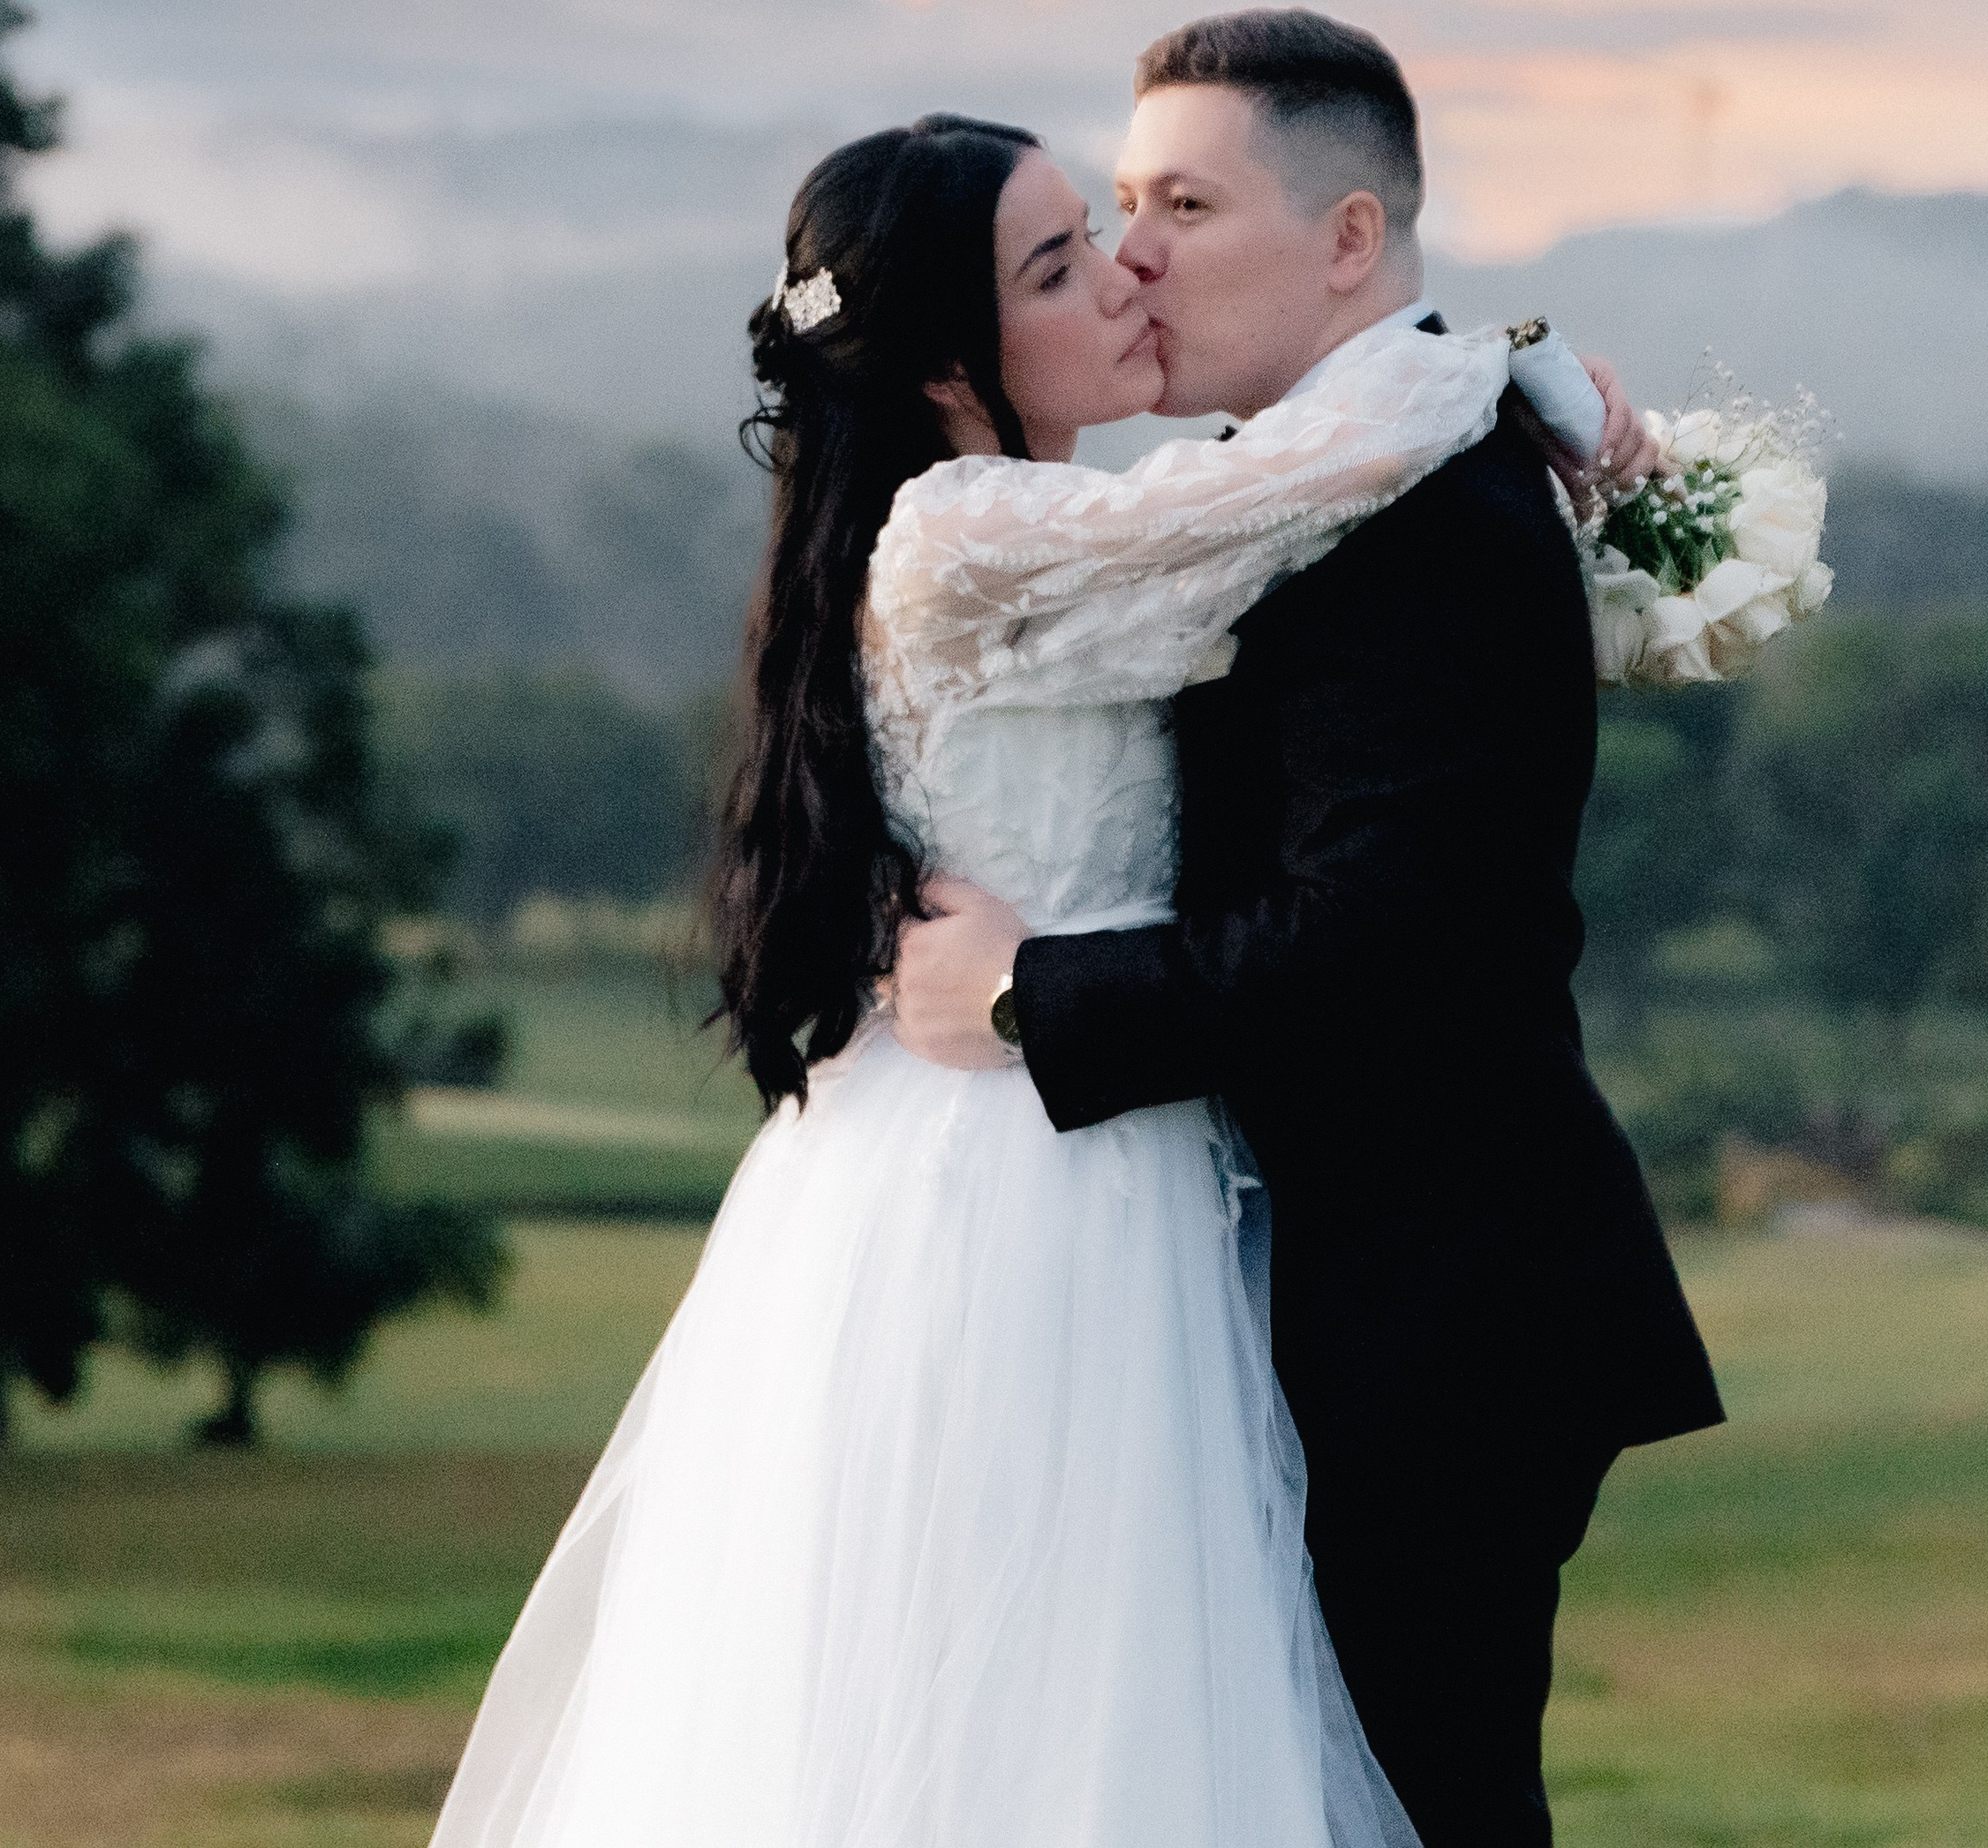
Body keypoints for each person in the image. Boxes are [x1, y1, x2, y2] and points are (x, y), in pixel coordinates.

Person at [429, 103, 1627, 1848]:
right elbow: (1291, 488)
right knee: (1013, 1687)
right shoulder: (962, 545)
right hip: (1014, 1183)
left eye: (1116, 226)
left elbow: (1259, 560)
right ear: (941, 363)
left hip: (1090, 1143)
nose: (1124, 272)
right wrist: (1509, 369)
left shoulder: (1032, 523)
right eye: (1060, 261)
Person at [895, 11, 1724, 1848]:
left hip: (1432, 1307)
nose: (1131, 252)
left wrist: (1032, 995)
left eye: (1182, 201)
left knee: (1413, 1804)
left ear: (1347, 239)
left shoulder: (1417, 517)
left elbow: (1384, 944)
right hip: (1344, 1287)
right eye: (1117, 205)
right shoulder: (1316, 483)